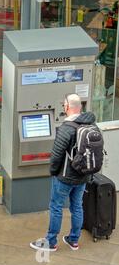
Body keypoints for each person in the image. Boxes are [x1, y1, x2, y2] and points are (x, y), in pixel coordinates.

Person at [30, 94, 96, 252]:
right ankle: (74, 240)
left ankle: (51, 242)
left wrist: (53, 171)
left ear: (67, 107)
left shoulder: (66, 128)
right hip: (83, 175)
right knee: (77, 207)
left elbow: (57, 154)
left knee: (56, 207)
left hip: (65, 177)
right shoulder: (91, 124)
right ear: (80, 107)